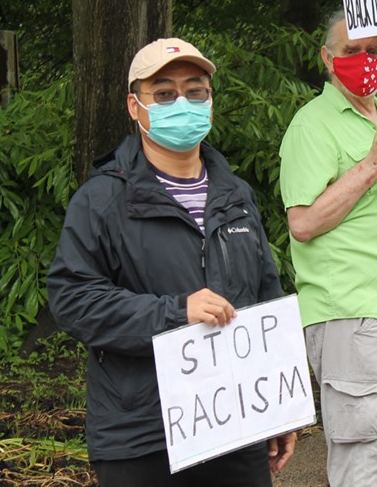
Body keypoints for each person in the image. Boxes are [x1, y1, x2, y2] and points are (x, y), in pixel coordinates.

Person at [47, 38, 296, 486]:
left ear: (211, 104)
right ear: (134, 106)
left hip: (236, 428)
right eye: (163, 93)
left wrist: (279, 408)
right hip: (142, 436)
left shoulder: (237, 196)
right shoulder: (102, 200)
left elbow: (265, 297)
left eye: (195, 91)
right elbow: (73, 299)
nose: (182, 102)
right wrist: (174, 313)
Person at [278, 11, 377, 487]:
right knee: (364, 468)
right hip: (353, 317)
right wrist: (371, 164)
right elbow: (303, 223)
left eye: (374, 51)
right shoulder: (312, 125)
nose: (365, 60)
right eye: (352, 50)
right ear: (328, 59)